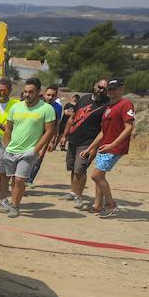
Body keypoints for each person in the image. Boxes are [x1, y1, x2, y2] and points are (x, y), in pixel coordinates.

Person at [0, 78, 56, 218]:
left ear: (38, 93)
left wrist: (36, 150)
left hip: (28, 151)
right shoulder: (15, 107)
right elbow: (8, 128)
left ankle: (15, 205)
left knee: (19, 179)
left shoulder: (47, 109)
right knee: (4, 176)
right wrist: (5, 147)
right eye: (25, 92)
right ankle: (5, 201)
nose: (27, 95)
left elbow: (49, 131)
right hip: (10, 150)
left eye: (31, 92)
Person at [80, 77, 134, 217]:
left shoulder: (125, 104)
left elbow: (129, 128)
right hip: (104, 146)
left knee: (96, 175)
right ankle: (97, 205)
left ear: (122, 89)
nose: (111, 92)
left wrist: (113, 145)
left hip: (114, 147)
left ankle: (111, 204)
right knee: (100, 176)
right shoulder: (109, 107)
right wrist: (90, 148)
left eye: (114, 89)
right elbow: (103, 131)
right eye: (109, 89)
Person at [60, 79, 109, 208]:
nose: (101, 90)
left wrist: (94, 148)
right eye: (100, 87)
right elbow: (72, 118)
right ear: (94, 86)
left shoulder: (106, 105)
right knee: (72, 168)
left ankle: (79, 196)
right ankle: (73, 191)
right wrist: (65, 136)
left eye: (105, 88)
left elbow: (104, 129)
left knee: (80, 170)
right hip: (73, 139)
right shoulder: (84, 99)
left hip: (88, 142)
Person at [27, 84, 63, 186]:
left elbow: (57, 124)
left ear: (56, 97)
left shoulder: (58, 107)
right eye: (48, 95)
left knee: (39, 157)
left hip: (46, 136)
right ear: (44, 94)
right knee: (27, 155)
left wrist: (53, 140)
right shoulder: (37, 104)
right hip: (32, 134)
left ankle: (29, 180)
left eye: (53, 95)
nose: (50, 97)